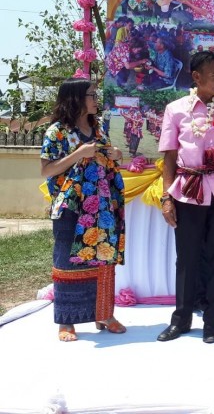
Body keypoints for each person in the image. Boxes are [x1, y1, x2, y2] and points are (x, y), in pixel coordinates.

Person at [156, 51, 214, 344]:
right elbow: (170, 156)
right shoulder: (175, 109)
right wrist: (166, 198)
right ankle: (181, 319)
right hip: (188, 191)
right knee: (187, 257)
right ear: (196, 77)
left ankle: (211, 320)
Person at [40, 79, 126, 341]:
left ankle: (104, 314)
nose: (96, 99)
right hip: (72, 206)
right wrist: (79, 154)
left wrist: (115, 154)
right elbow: (47, 170)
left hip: (102, 205)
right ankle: (66, 321)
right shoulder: (57, 131)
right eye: (91, 95)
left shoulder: (98, 128)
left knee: (103, 257)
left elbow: (105, 159)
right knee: (67, 259)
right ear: (75, 98)